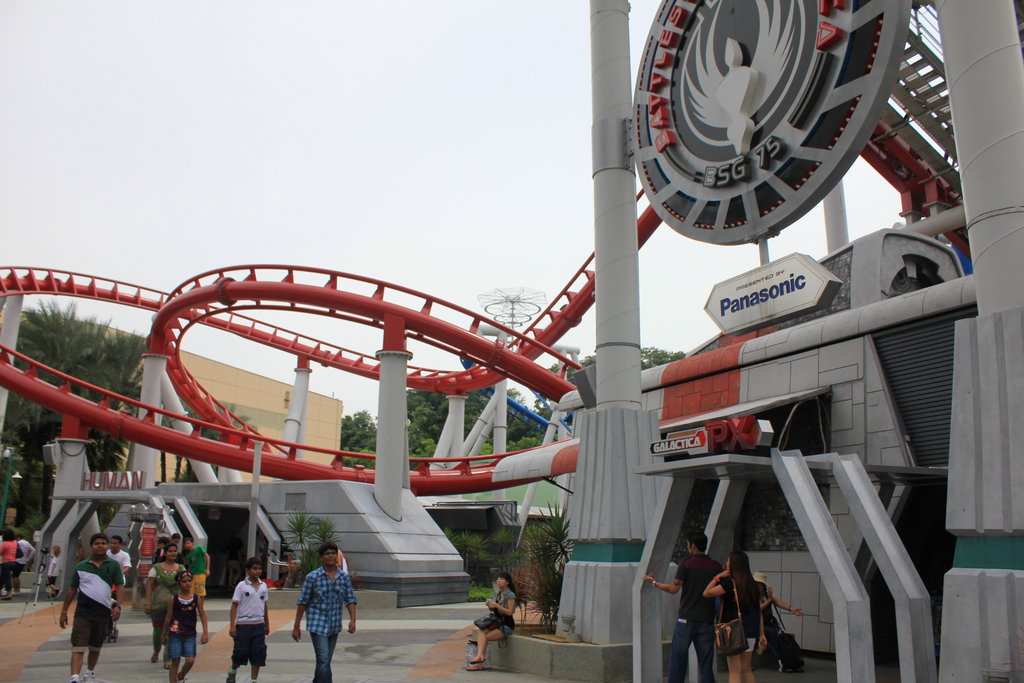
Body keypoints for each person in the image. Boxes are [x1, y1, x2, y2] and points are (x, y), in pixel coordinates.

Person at [643, 531, 723, 683]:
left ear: (693, 546)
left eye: (688, 545)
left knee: (678, 662)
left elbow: (673, 589)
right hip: (707, 620)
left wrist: (654, 582)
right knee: (706, 664)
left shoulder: (686, 564)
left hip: (686, 619)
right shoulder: (716, 566)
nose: (687, 548)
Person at [59, 533, 124, 683]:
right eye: (97, 543)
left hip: (102, 612)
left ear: (107, 546)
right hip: (83, 613)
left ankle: (89, 672)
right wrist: (64, 611)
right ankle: (74, 677)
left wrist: (118, 606)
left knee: (95, 646)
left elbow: (119, 586)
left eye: (103, 543)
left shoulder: (113, 565)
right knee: (78, 645)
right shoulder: (81, 567)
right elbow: (72, 589)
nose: (100, 546)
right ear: (91, 546)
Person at [292, 541, 357, 683]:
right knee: (323, 659)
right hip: (317, 623)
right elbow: (303, 601)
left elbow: (350, 599)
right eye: (327, 554)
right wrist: (296, 626)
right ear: (321, 557)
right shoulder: (312, 577)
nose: (331, 556)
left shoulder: (344, 577)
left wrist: (353, 620)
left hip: (334, 624)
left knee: (325, 660)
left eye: (333, 553)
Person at [703, 551, 768, 683]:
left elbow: (706, 593)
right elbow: (758, 612)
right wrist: (762, 634)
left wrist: (717, 577)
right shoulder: (753, 585)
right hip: (751, 632)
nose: (727, 563)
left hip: (733, 631)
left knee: (734, 672)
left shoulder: (730, 583)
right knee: (746, 669)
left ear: (734, 564)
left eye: (728, 561)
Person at [161, 569, 209, 683]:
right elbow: (168, 617)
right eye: (184, 581)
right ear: (178, 584)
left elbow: (202, 615)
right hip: (175, 634)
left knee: (190, 660)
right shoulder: (173, 599)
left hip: (190, 634)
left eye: (189, 580)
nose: (187, 583)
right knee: (175, 660)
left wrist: (205, 632)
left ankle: (181, 675)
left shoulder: (196, 599)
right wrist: (163, 634)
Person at [227, 557, 270, 683]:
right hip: (244, 624)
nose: (257, 571)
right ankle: (233, 669)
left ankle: (253, 680)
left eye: (260, 569)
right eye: (254, 569)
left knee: (258, 652)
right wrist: (232, 625)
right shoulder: (241, 586)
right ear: (247, 570)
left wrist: (267, 624)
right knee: (240, 651)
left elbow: (264, 605)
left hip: (259, 624)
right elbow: (234, 606)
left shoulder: (263, 586)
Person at [466, 571, 517, 671]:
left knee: (484, 637)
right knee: (481, 630)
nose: (498, 581)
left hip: (506, 625)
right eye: (497, 579)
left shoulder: (510, 595)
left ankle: (480, 661)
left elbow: (510, 612)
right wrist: (489, 605)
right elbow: (493, 609)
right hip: (496, 623)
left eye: (501, 579)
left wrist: (497, 605)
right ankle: (480, 658)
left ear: (507, 582)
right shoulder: (497, 593)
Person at [753, 572, 802, 672]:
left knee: (781, 636)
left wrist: (791, 609)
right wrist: (769, 600)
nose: (758, 586)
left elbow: (779, 603)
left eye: (760, 584)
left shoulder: (767, 595)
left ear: (763, 586)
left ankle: (790, 659)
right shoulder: (751, 595)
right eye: (756, 583)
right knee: (772, 634)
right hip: (758, 625)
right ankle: (780, 660)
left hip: (770, 623)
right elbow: (757, 609)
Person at [146, 541, 182, 668]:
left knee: (172, 631)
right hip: (159, 605)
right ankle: (156, 650)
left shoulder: (181, 569)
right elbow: (150, 585)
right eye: (170, 551)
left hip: (176, 606)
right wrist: (148, 602)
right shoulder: (156, 569)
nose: (173, 553)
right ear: (165, 553)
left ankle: (167, 658)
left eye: (174, 551)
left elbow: (186, 586)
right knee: (158, 631)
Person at [0, 528, 18, 599]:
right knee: (3, 577)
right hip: (13, 562)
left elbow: (0, 552)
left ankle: (9, 593)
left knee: (7, 578)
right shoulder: (15, 542)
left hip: (6, 562)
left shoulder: (5, 543)